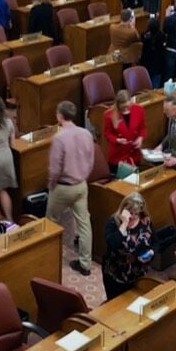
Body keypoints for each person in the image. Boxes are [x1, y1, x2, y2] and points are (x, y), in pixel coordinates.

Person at [47, 101, 95, 275]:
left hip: (62, 187)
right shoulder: (86, 134)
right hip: (81, 185)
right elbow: (91, 161)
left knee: (50, 223)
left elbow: (54, 168)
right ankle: (85, 264)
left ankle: (50, 260)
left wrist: (51, 186)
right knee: (84, 224)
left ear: (60, 116)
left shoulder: (59, 138)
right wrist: (83, 177)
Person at [102, 194, 154, 300]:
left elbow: (154, 241)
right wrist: (124, 224)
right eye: (130, 212)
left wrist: (151, 252)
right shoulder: (113, 222)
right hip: (116, 275)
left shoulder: (145, 220)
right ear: (123, 209)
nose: (133, 216)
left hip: (138, 273)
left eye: (136, 213)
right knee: (116, 305)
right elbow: (112, 244)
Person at [105, 89, 146, 170]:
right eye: (123, 108)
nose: (126, 110)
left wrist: (140, 138)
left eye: (128, 106)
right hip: (118, 155)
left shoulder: (139, 109)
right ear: (118, 105)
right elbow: (107, 134)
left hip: (134, 154)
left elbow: (143, 129)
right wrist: (117, 140)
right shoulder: (109, 115)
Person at [139, 18, 166, 88]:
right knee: (156, 83)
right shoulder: (162, 36)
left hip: (146, 63)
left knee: (145, 81)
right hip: (158, 64)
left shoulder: (144, 36)